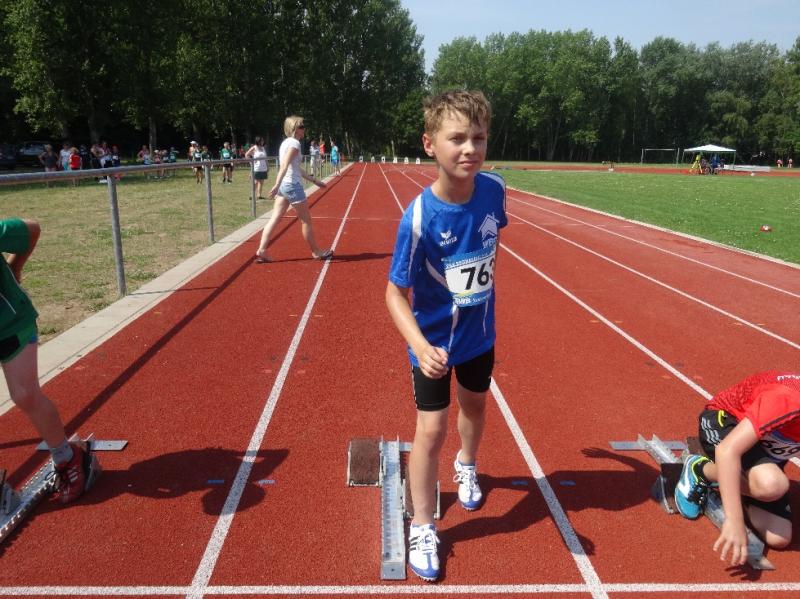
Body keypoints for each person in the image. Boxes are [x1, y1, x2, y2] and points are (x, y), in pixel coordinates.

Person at [385, 90, 507, 581]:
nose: (470, 148)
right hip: (433, 345)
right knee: (431, 430)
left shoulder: (494, 190)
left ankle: (468, 464)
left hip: (480, 337)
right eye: (457, 138)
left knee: (475, 407)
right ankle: (423, 524)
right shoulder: (418, 218)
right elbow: (394, 294)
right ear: (429, 144)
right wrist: (419, 346)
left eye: (479, 137)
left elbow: (488, 244)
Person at [0, 218, 101, 503]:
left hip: (11, 323)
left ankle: (68, 457)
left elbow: (31, 229)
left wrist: (15, 267)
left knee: (25, 395)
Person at [674, 371, 800, 567]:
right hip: (725, 423)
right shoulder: (786, 399)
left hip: (762, 446)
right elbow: (727, 451)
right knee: (771, 485)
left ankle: (746, 483)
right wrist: (734, 520)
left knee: (779, 538)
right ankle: (701, 470)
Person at [253, 116, 331, 263]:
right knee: (306, 221)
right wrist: (276, 184)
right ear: (294, 129)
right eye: (301, 126)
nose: (304, 129)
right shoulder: (295, 143)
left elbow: (295, 168)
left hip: (285, 185)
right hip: (292, 186)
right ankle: (316, 252)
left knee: (275, 218)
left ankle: (262, 250)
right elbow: (284, 165)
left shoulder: (285, 143)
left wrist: (315, 181)